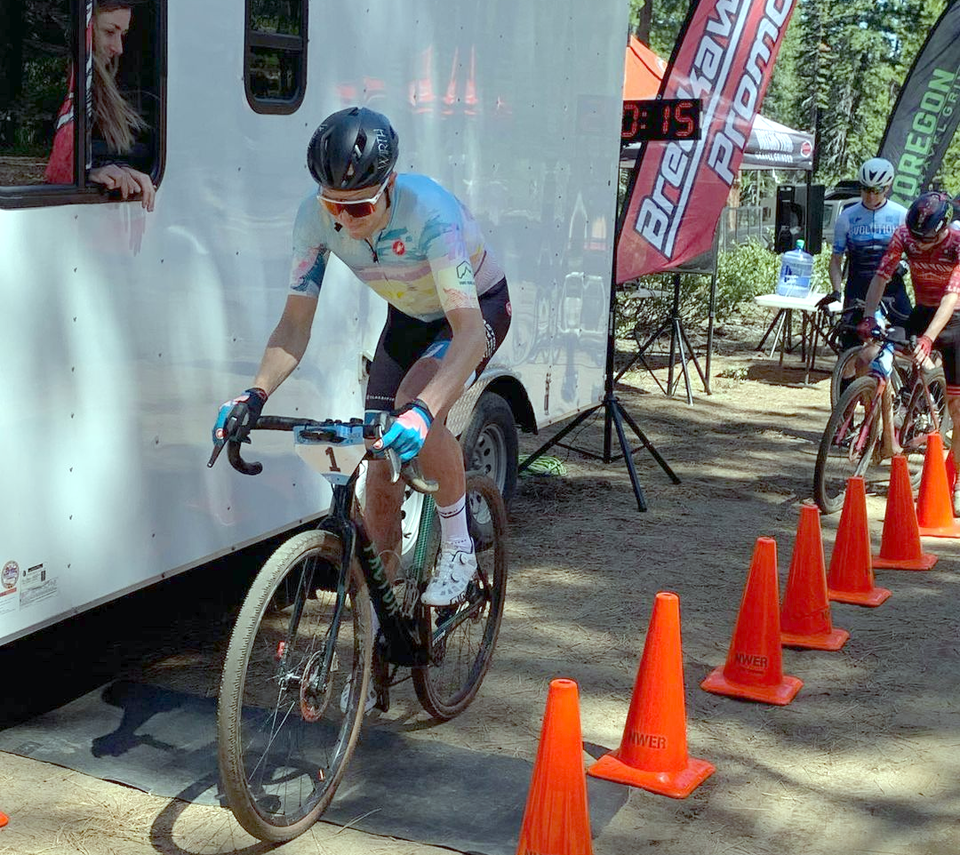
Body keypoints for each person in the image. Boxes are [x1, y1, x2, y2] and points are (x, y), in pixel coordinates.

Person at [213, 106, 511, 608]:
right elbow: (293, 326)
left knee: (416, 402)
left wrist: (422, 412)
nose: (343, 220)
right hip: (409, 317)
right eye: (333, 207)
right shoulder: (314, 218)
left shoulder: (430, 214)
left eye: (358, 208)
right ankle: (383, 612)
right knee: (379, 465)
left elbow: (466, 335)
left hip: (472, 312)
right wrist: (254, 393)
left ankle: (459, 546)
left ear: (391, 183)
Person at [860, 191, 960, 511]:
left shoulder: (957, 244)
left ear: (943, 228)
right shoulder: (905, 235)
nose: (921, 246)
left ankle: (958, 480)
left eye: (927, 240)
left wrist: (929, 339)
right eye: (916, 240)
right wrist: (867, 316)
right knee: (871, 357)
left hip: (954, 317)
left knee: (958, 409)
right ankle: (888, 437)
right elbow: (881, 276)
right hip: (922, 310)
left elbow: (950, 299)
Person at [45, 0, 156, 211]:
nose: (119, 48)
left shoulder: (113, 86)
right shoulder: (60, 84)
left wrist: (120, 170)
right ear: (85, 29)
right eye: (109, 32)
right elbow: (41, 162)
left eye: (122, 35)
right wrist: (87, 174)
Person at [821, 158, 909, 382]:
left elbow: (913, 254)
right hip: (858, 288)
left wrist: (903, 266)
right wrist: (837, 290)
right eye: (866, 189)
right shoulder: (847, 216)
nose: (870, 196)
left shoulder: (901, 215)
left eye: (877, 190)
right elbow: (836, 259)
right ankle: (844, 412)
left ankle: (915, 393)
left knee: (910, 342)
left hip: (892, 289)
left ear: (887, 187)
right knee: (849, 348)